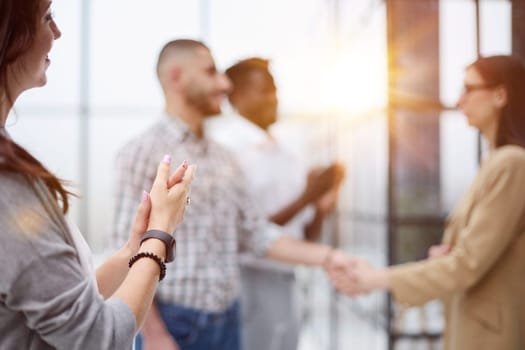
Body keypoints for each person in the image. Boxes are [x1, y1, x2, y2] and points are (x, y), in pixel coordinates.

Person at [112, 39, 350, 350]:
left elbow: (255, 232)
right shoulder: (142, 152)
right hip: (176, 326)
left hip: (228, 320)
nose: (224, 83)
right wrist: (154, 334)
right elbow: (125, 252)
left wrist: (330, 258)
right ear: (176, 77)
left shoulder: (223, 157)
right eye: (212, 73)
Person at [0, 1, 195, 349]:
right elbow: (98, 336)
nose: (57, 32)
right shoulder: (7, 185)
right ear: (9, 32)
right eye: (47, 17)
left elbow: (66, 302)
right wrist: (160, 235)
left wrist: (132, 249)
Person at [330, 55, 525, 350]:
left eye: (469, 89)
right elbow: (474, 256)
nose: (460, 101)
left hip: (490, 336)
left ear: (500, 95)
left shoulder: (512, 164)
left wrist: (376, 279)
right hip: (472, 324)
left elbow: (468, 264)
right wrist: (446, 255)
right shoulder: (495, 162)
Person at [206, 57, 345, 350]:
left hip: (288, 279)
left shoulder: (288, 155)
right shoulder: (226, 151)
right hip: (247, 281)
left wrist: (321, 202)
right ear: (239, 96)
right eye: (265, 90)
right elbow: (244, 231)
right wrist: (307, 196)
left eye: (276, 90)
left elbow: (307, 235)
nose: (275, 99)